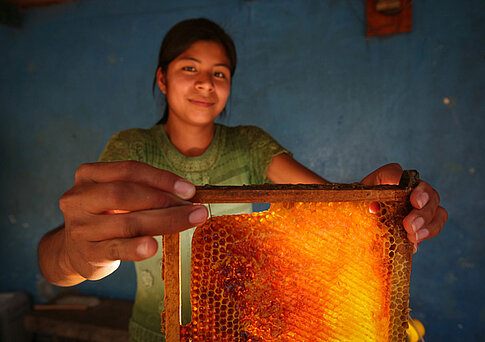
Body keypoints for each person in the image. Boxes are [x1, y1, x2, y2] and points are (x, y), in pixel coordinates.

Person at [38, 18, 448, 341]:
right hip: (152, 336)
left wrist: (376, 205)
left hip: (243, 332)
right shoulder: (132, 149)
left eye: (220, 73)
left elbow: (330, 206)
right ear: (162, 79)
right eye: (189, 68)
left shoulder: (249, 144)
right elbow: (68, 251)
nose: (205, 82)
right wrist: (76, 255)